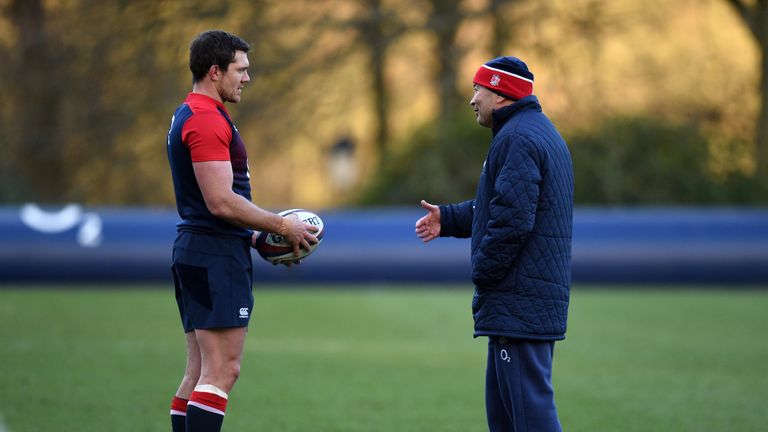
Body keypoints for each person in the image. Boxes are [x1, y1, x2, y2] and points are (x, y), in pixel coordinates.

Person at [165, 30, 318, 432]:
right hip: (213, 257)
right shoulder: (204, 120)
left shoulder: (191, 112)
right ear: (215, 72)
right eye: (241, 69)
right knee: (222, 372)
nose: (247, 78)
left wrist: (255, 237)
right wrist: (283, 224)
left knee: (199, 371)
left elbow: (210, 207)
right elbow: (220, 201)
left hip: (201, 248)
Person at [415, 56, 573, 432]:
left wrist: (483, 273)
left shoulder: (518, 138)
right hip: (522, 303)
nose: (472, 99)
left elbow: (513, 220)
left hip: (517, 304)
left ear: (500, 93)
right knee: (506, 419)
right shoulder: (533, 131)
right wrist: (449, 218)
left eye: (477, 89)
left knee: (529, 418)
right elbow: (502, 205)